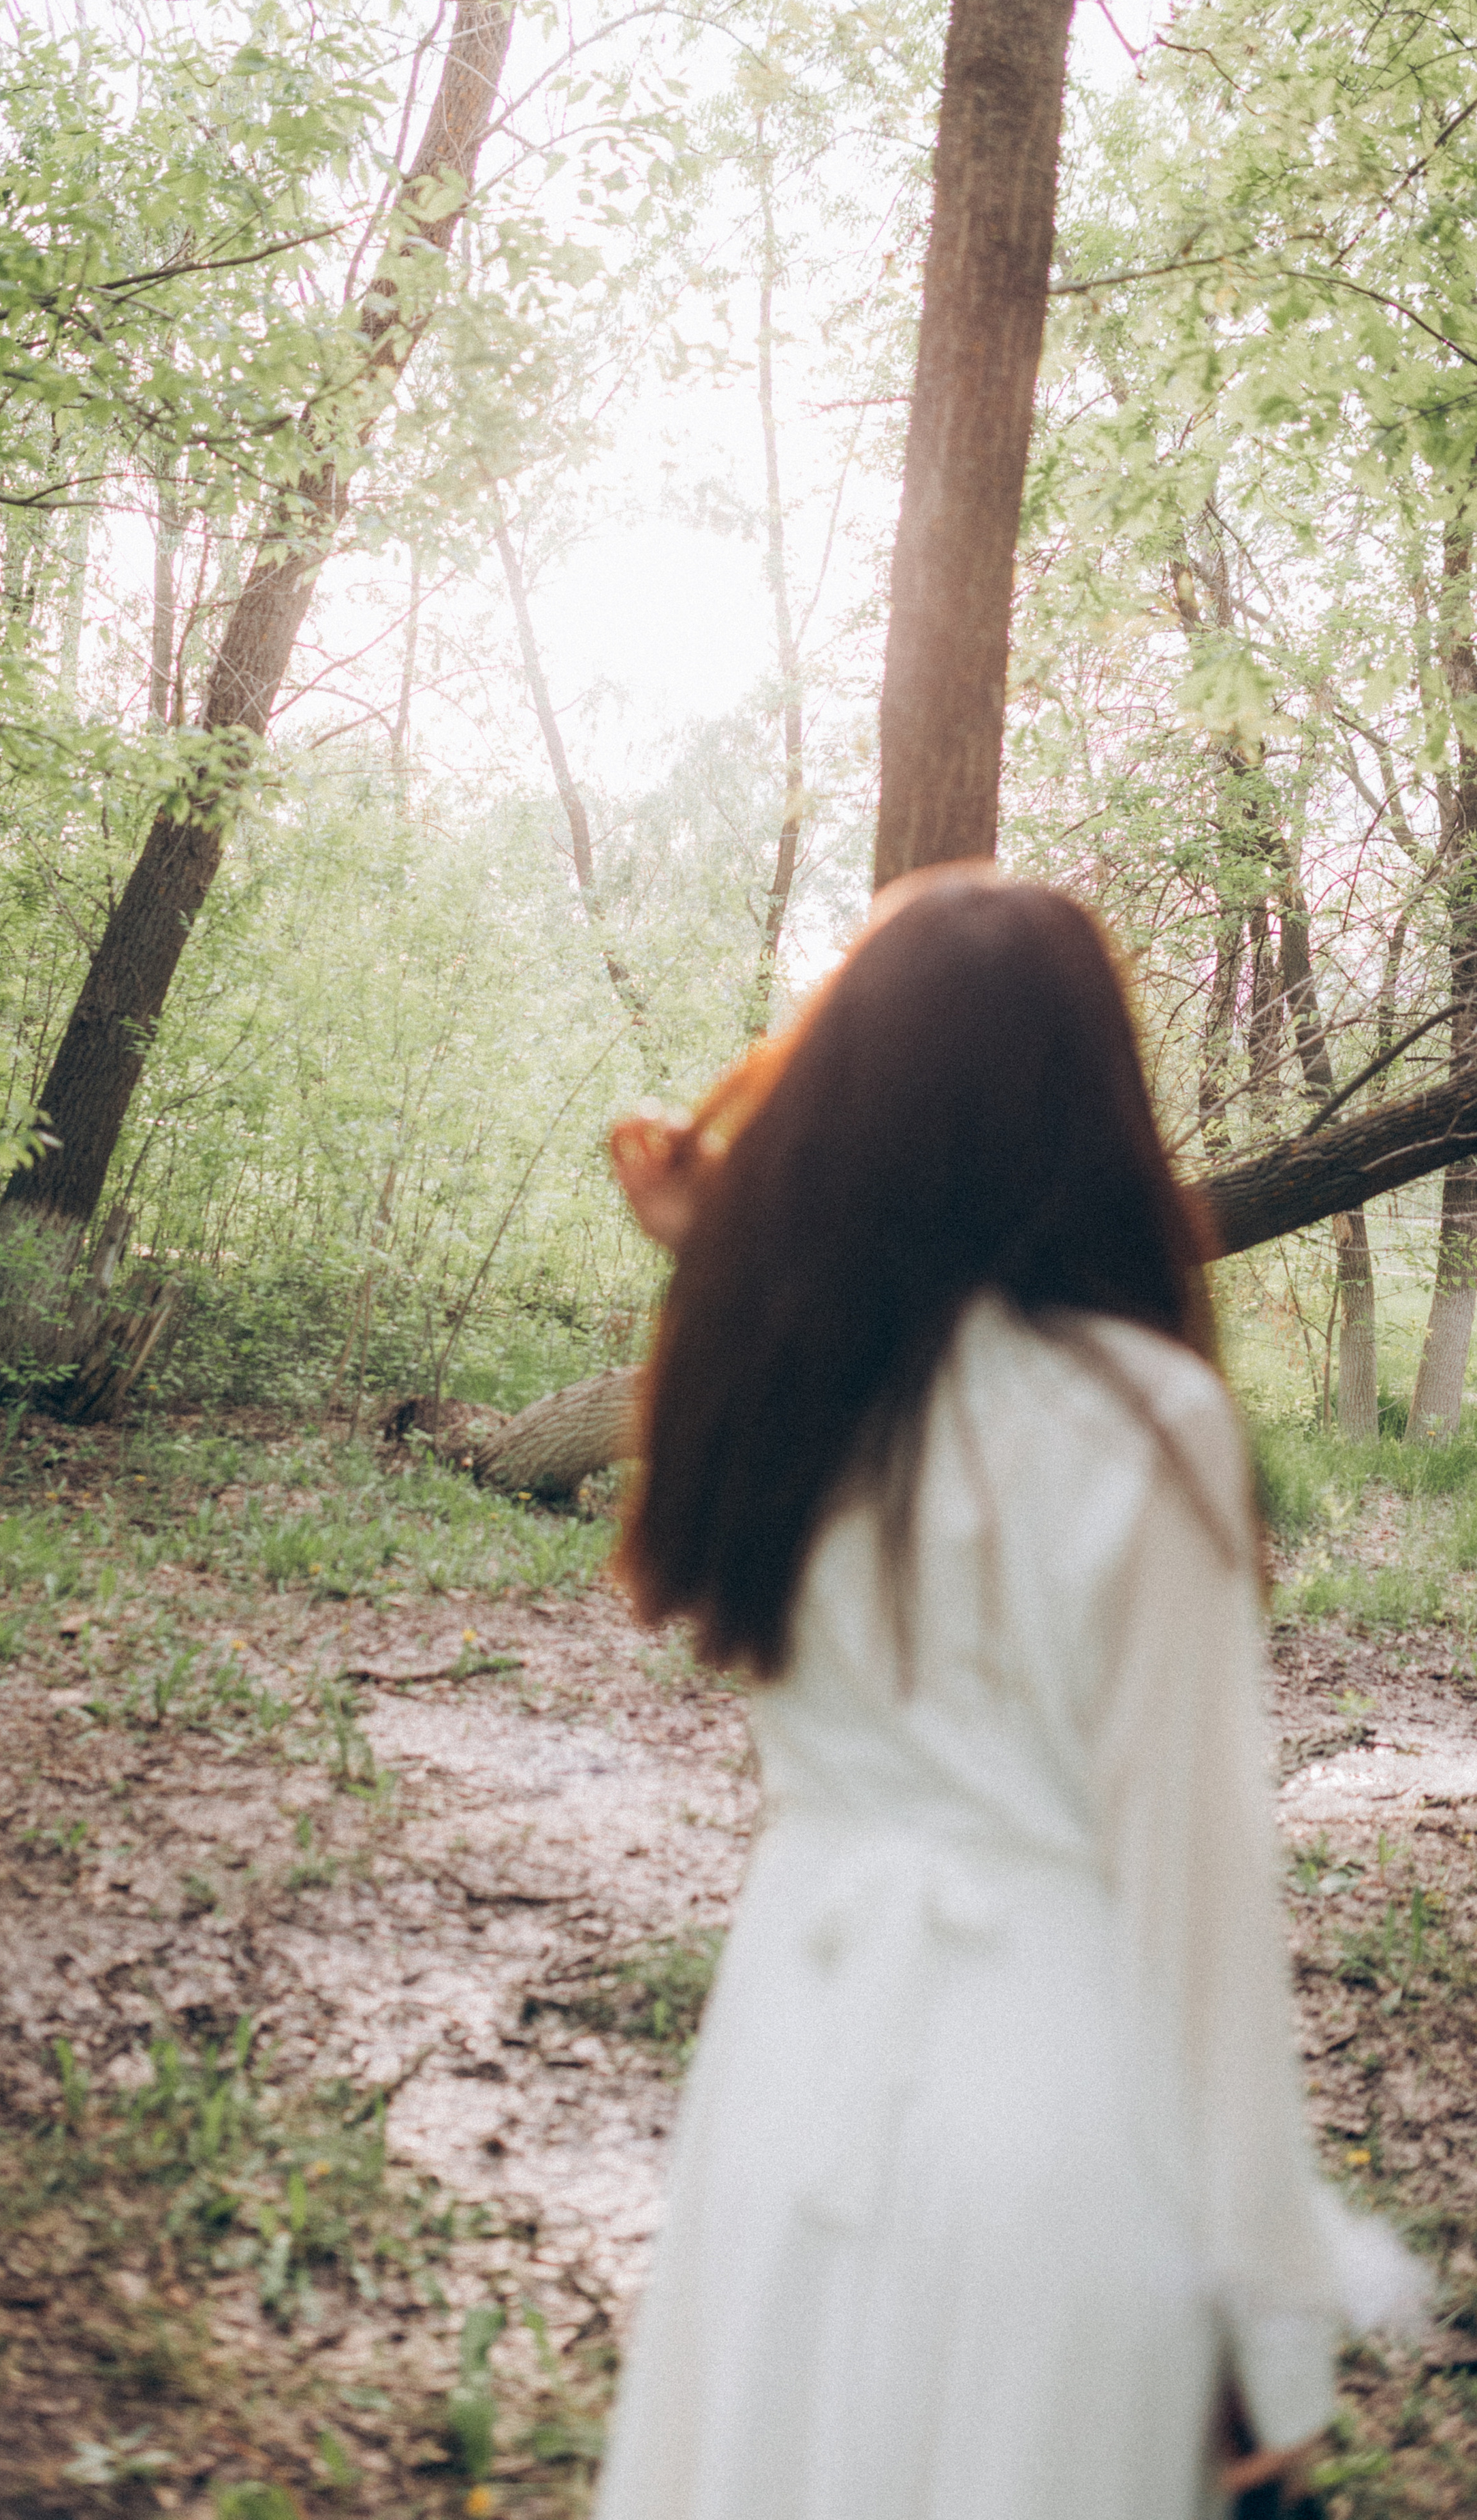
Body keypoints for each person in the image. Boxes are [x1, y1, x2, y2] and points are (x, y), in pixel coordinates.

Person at [593, 866, 1424, 2520]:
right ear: (1087, 1111)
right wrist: (1273, 2340)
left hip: (785, 2077)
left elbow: (771, 1256)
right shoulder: (1138, 1420)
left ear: (843, 1109)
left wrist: (717, 1219)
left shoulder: (771, 1387)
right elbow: (1196, 1913)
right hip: (1054, 2114)